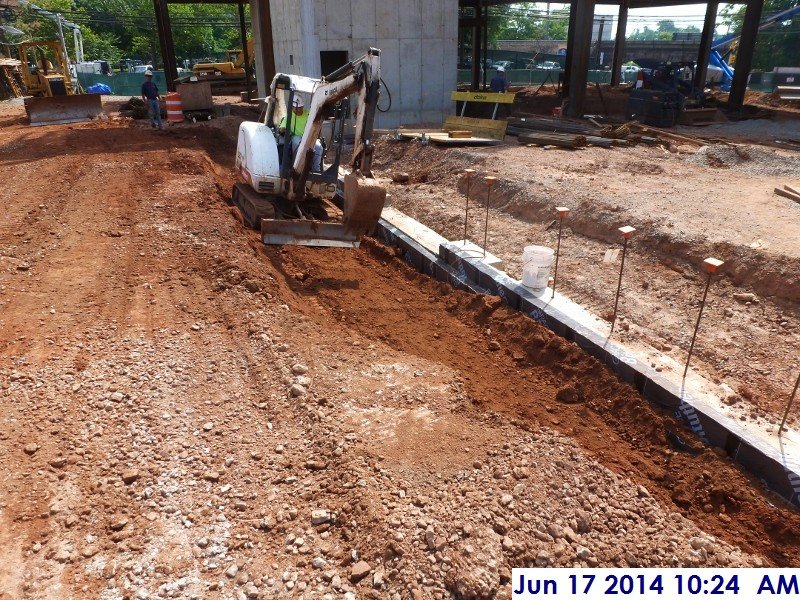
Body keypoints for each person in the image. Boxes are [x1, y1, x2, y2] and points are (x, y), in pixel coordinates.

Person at [279, 95, 323, 171]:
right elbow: (282, 129)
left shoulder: (309, 114)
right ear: (292, 107)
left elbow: (316, 124)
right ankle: (296, 167)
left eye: (300, 107)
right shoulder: (289, 116)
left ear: (303, 106)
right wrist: (284, 130)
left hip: (309, 136)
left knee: (319, 147)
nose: (298, 109)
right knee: (297, 143)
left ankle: (316, 170)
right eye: (296, 108)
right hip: (297, 136)